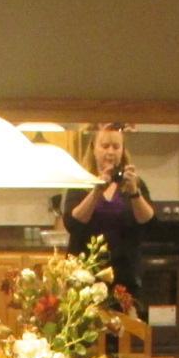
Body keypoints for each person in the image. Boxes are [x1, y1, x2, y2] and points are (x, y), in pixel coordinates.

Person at [60, 123, 153, 306]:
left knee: (123, 331)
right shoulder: (81, 182)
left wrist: (134, 192)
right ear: (93, 148)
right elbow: (73, 223)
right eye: (105, 146)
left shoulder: (134, 183)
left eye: (116, 147)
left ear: (122, 151)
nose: (110, 152)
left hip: (125, 277)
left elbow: (148, 223)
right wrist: (97, 190)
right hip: (85, 277)